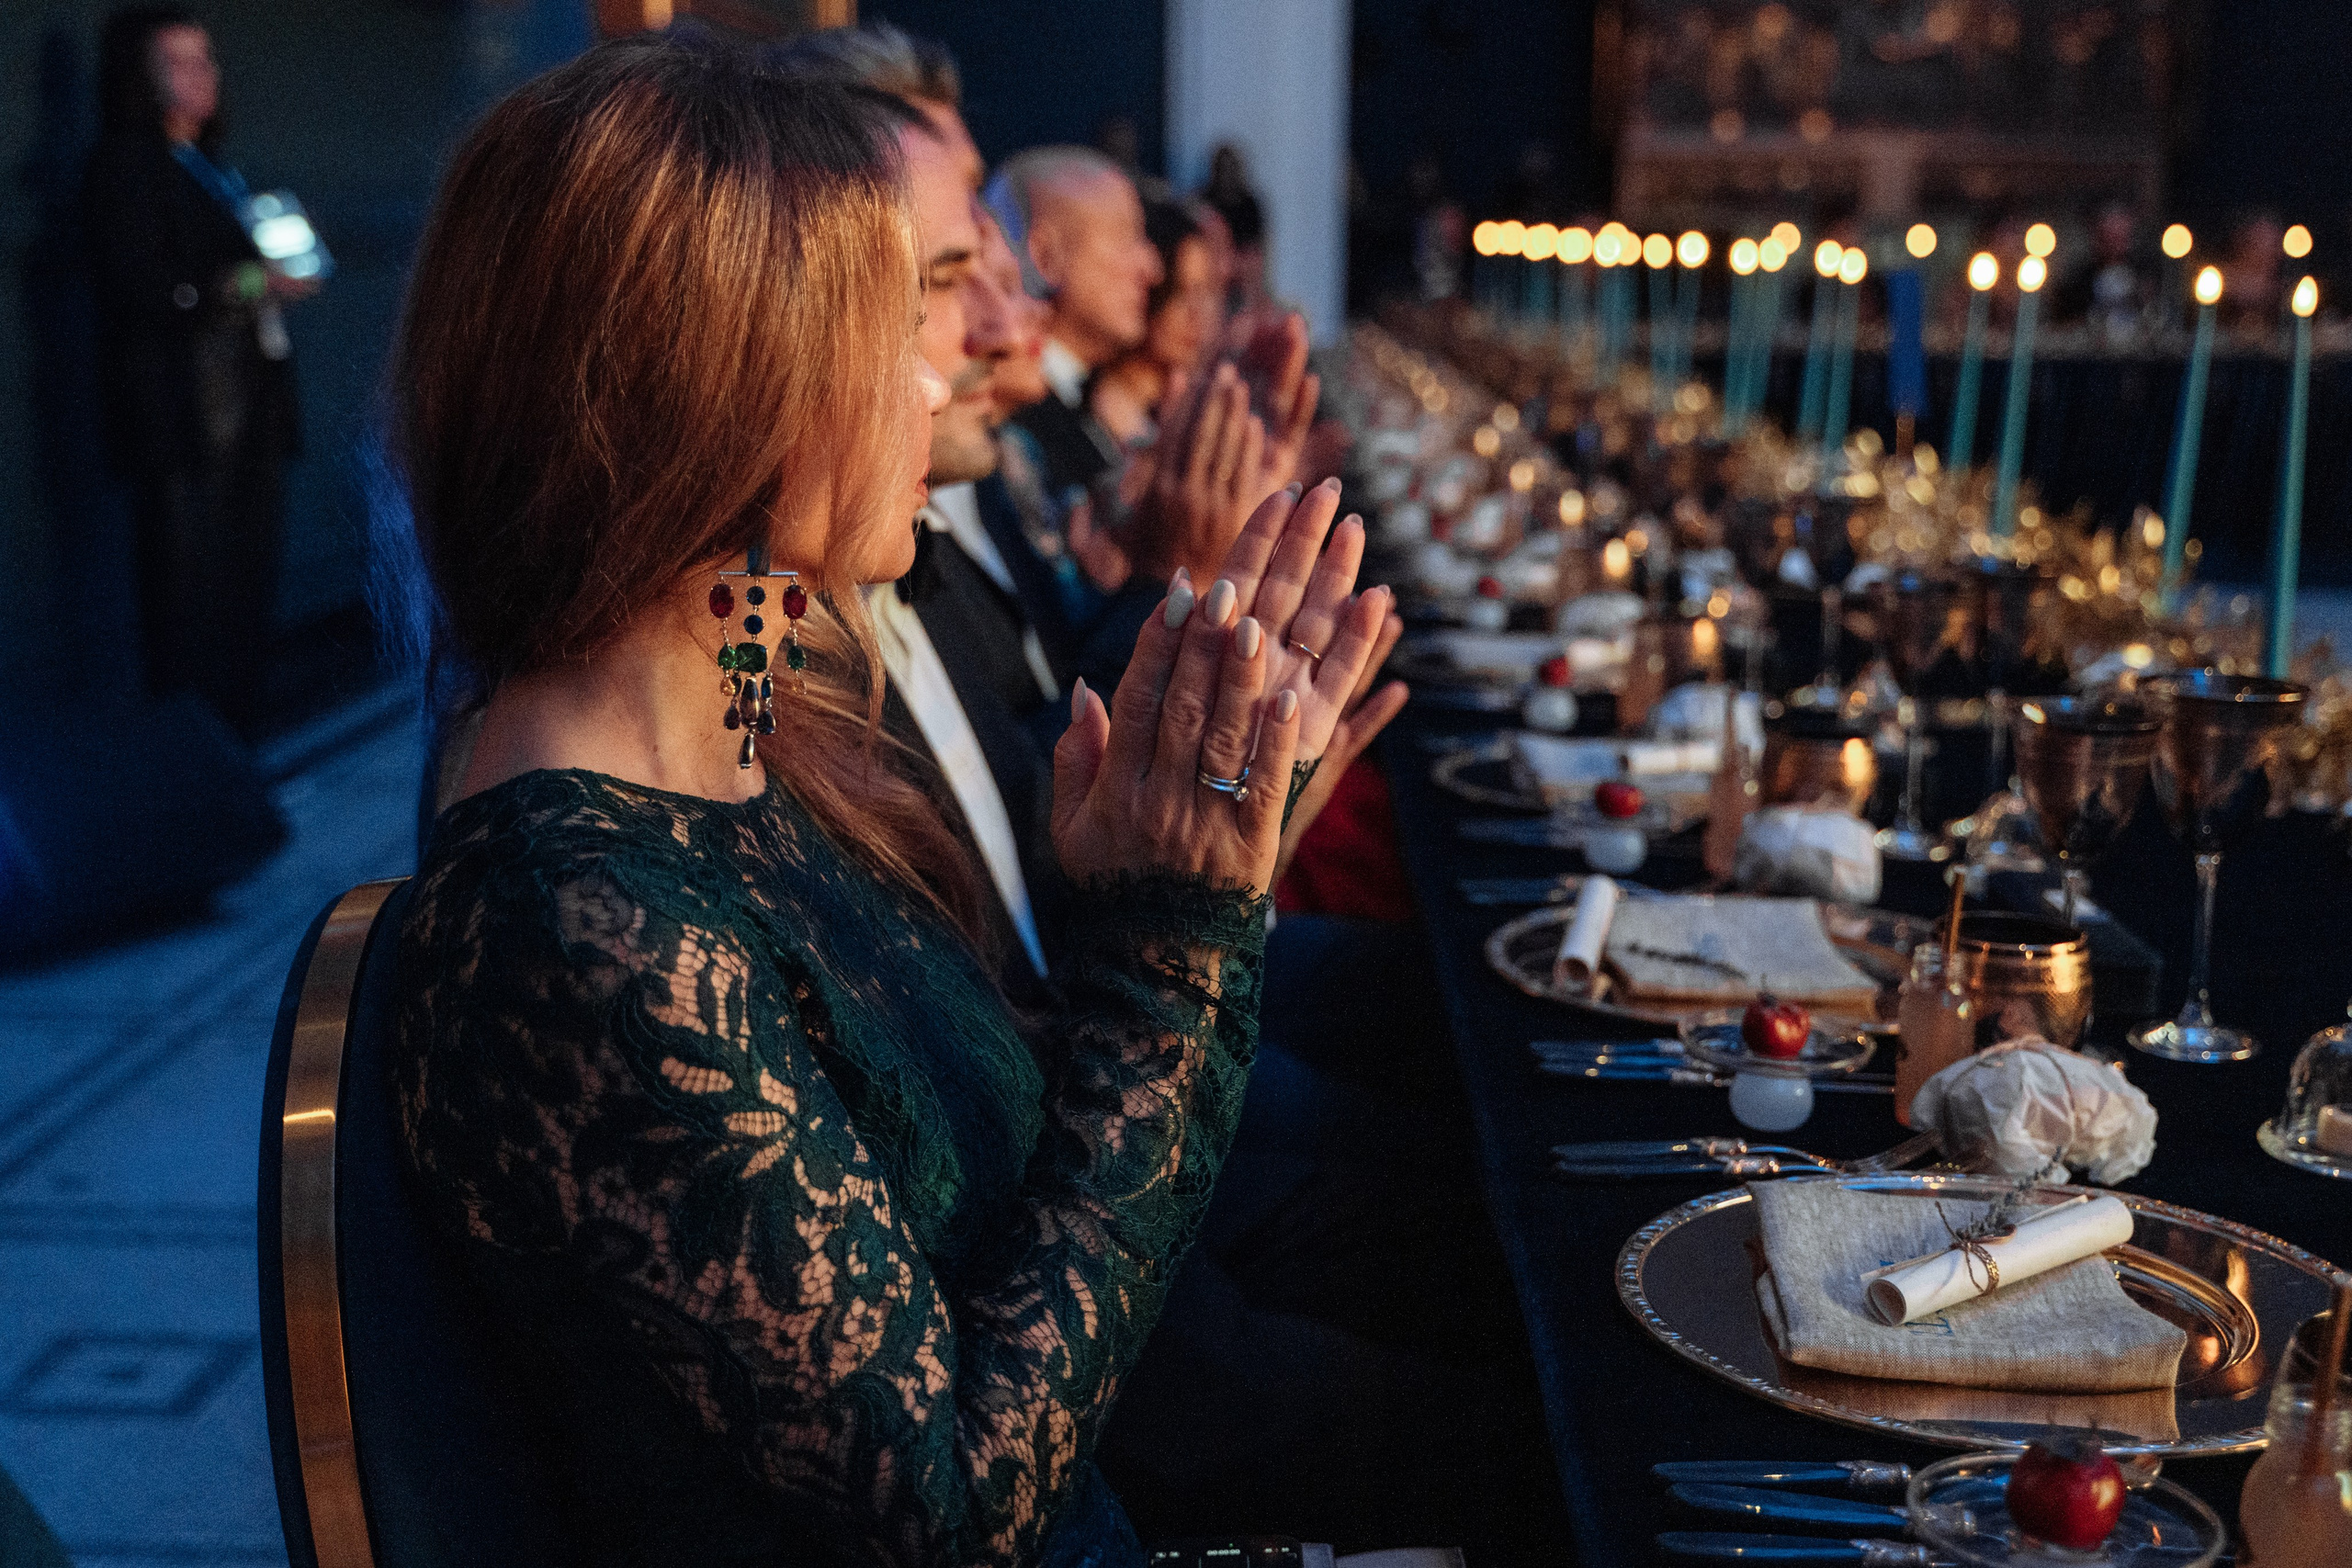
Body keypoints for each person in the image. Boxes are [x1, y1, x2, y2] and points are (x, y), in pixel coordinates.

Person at [390, 39, 1388, 1564]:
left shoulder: (757, 749)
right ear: (724, 386)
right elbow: (961, 1505)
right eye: (894, 325)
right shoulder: (573, 920)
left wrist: (1161, 888)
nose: (948, 370)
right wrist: (1175, 954)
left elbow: (974, 1162)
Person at [84, 6, 312, 738]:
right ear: (141, 77)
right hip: (184, 425)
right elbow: (146, 287)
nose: (202, 75)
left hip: (245, 415)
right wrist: (251, 282)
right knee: (189, 602)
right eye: (179, 62)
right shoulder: (125, 167)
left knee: (244, 589)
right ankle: (202, 758)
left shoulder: (215, 169)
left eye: (206, 57)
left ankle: (238, 747)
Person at [995, 146, 1162, 499]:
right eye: (1125, 237)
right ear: (1045, 256)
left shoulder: (1092, 408)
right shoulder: (1013, 424)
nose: (1152, 267)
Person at [1089, 196, 1224, 450]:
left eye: (1206, 293)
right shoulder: (1099, 415)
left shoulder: (1189, 410)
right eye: (1179, 292)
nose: (1198, 314)